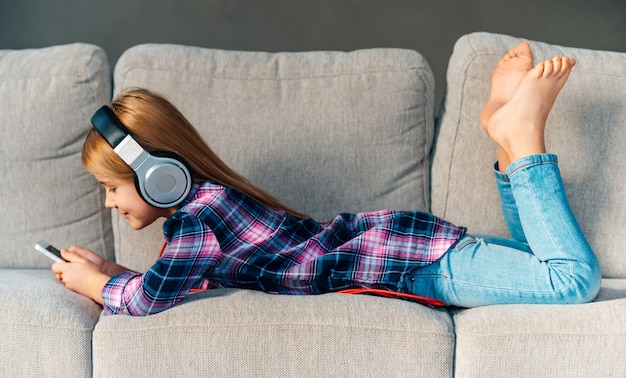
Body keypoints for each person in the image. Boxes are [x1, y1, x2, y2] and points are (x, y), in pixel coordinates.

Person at [52, 43, 601, 316]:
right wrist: (110, 269)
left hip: (416, 267)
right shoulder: (208, 210)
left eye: (112, 187)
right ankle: (505, 143)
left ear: (160, 176)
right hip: (407, 247)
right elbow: (180, 281)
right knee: (541, 258)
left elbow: (150, 299)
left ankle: (524, 138)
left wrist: (97, 286)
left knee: (570, 281)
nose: (108, 204)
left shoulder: (196, 223)